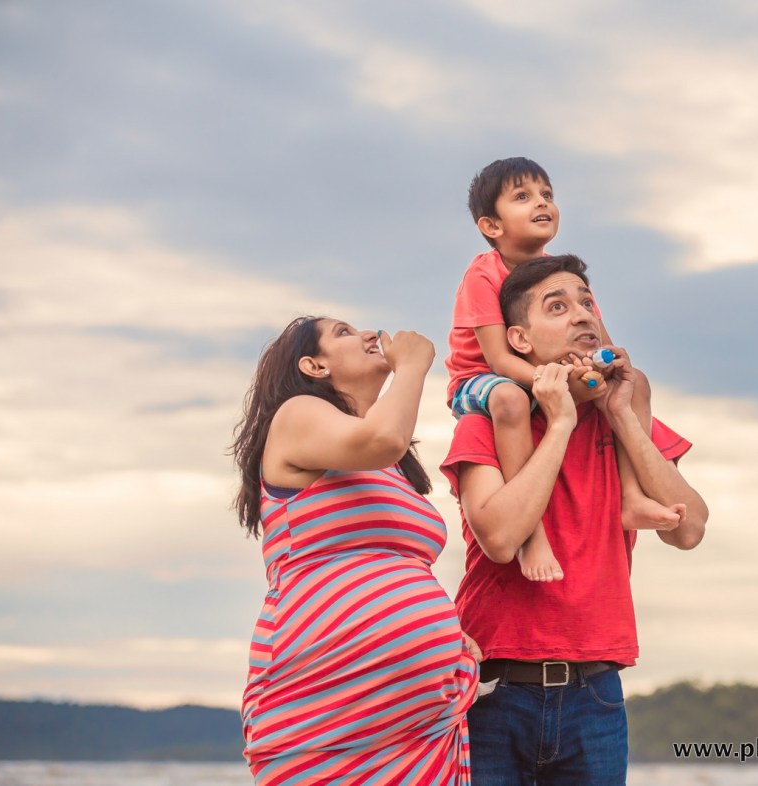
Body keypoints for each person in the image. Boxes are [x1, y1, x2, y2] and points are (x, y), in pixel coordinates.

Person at [441, 255, 709, 785]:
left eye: (587, 302)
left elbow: (689, 529)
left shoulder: (625, 415)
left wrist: (622, 416)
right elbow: (498, 539)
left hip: (596, 692)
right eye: (557, 307)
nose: (582, 315)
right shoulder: (486, 423)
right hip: (494, 690)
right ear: (519, 339)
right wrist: (561, 422)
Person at [231, 316, 479, 785]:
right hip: (327, 706)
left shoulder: (392, 467)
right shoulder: (296, 414)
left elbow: (396, 564)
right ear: (313, 365)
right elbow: (382, 438)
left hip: (418, 723)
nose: (369, 334)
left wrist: (445, 634)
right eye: (343, 333)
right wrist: (412, 367)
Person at [445, 157, 679, 584]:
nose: (542, 203)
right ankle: (533, 534)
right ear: (492, 226)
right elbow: (498, 358)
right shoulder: (483, 274)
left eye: (547, 195)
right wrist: (551, 381)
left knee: (636, 381)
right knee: (510, 398)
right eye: (522, 196)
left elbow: (602, 343)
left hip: (544, 372)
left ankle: (632, 495)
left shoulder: (562, 275)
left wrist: (605, 367)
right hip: (482, 380)